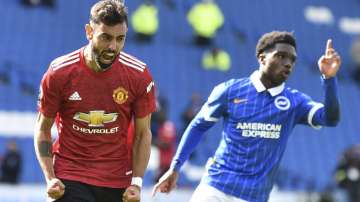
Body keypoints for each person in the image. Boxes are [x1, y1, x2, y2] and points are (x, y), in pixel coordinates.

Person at [153, 31, 341, 202]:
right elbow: (198, 126)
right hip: (216, 187)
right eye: (281, 56)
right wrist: (175, 168)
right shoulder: (230, 90)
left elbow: (330, 118)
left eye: (292, 60)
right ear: (262, 58)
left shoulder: (295, 102)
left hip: (254, 197)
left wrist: (329, 79)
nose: (288, 63)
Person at [34, 1, 156, 202]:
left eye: (120, 39)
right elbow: (42, 128)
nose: (112, 47)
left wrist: (137, 182)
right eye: (106, 37)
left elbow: (143, 134)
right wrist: (50, 178)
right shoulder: (59, 72)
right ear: (89, 31)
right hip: (70, 176)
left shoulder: (138, 75)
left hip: (118, 182)